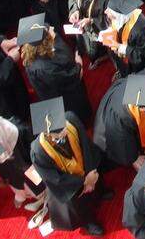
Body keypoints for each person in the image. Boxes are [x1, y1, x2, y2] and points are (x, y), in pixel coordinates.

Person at [28, 97, 106, 235]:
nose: (63, 132)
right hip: (69, 183)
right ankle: (88, 221)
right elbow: (55, 178)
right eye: (58, 133)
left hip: (86, 168)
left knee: (97, 178)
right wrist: (84, 181)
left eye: (63, 127)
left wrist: (90, 172)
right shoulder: (38, 151)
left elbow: (85, 146)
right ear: (47, 133)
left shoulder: (70, 119)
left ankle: (100, 193)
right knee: (78, 203)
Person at [94, 73, 145, 170]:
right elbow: (122, 142)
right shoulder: (120, 119)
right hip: (110, 132)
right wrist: (134, 158)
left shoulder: (144, 83)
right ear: (139, 107)